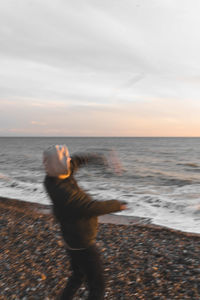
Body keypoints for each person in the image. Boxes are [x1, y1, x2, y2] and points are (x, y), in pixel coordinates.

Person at [43, 145, 127, 300]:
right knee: (98, 286)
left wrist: (99, 157)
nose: (69, 161)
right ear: (60, 164)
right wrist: (117, 205)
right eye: (65, 159)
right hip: (82, 242)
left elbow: (77, 160)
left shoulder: (55, 175)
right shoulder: (60, 190)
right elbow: (88, 207)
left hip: (70, 238)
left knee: (77, 275)